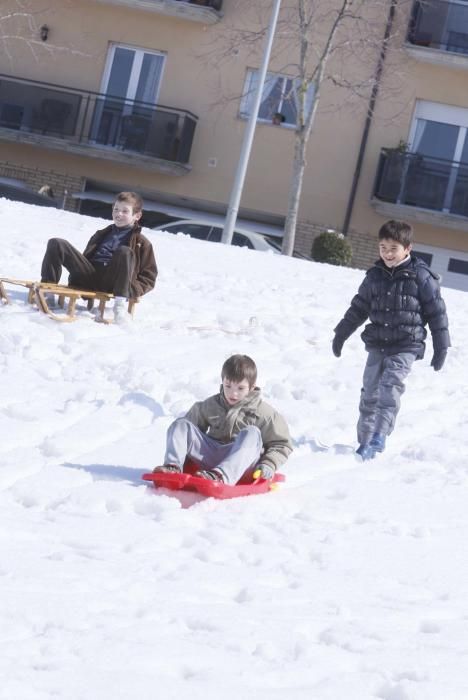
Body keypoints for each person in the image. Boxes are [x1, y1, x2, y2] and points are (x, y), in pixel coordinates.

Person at [332, 219, 450, 461]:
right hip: (378, 343)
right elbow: (359, 307)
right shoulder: (374, 276)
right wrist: (341, 333)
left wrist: (441, 347)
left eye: (393, 248)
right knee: (370, 393)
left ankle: (380, 434)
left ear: (408, 248)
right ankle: (364, 441)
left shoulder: (421, 277)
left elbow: (437, 313)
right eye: (383, 248)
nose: (387, 253)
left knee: (390, 385)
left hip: (406, 345)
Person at [153, 354, 293, 485]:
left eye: (240, 388)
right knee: (182, 424)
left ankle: (221, 476)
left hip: (243, 463)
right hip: (211, 457)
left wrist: (269, 463)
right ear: (222, 382)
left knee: (252, 433)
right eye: (228, 386)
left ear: (252, 387)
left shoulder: (264, 413)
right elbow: (186, 435)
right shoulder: (211, 405)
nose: (233, 393)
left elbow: (282, 444)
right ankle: (173, 468)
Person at [40, 191, 157, 322]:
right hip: (89, 275)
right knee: (56, 243)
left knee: (125, 251)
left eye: (125, 211)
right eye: (116, 209)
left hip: (114, 283)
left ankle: (119, 306)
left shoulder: (142, 243)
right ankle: (47, 293)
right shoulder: (101, 234)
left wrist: (131, 289)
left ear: (137, 215)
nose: (119, 214)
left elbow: (149, 277)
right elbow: (86, 258)